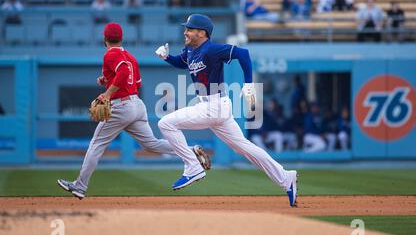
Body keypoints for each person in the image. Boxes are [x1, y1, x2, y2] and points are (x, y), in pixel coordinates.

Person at [155, 14, 298, 207]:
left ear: (202, 32)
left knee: (166, 123)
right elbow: (182, 63)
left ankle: (192, 167)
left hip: (214, 106)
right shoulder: (190, 50)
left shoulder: (211, 49)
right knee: (244, 148)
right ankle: (285, 177)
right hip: (213, 107)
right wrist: (166, 57)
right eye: (186, 28)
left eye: (189, 29)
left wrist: (248, 84)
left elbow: (243, 54)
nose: (185, 32)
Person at [57, 22, 210, 199]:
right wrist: (107, 80)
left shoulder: (110, 54)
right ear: (121, 38)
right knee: (151, 144)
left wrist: (107, 94)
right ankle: (191, 151)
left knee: (96, 145)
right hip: (136, 105)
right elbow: (136, 82)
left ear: (105, 38)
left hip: (121, 107)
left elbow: (122, 72)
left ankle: (80, 186)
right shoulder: (129, 56)